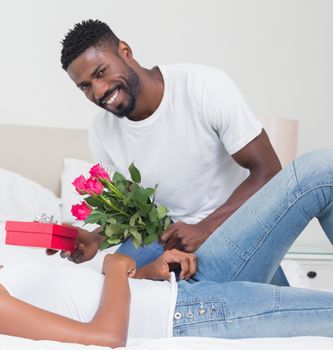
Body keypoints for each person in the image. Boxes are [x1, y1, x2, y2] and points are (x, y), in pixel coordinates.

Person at [0, 150, 333, 346]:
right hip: (194, 313)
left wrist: (141, 273)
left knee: (315, 172)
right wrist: (121, 263)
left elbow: (71, 295)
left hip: (178, 279)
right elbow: (103, 338)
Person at [57, 19, 286, 284]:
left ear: (125, 51)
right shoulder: (102, 132)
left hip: (233, 226)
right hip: (166, 236)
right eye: (85, 86)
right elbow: (136, 210)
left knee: (276, 311)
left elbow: (268, 171)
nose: (98, 91)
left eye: (100, 72)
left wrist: (204, 229)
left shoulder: (204, 87)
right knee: (115, 283)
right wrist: (96, 239)